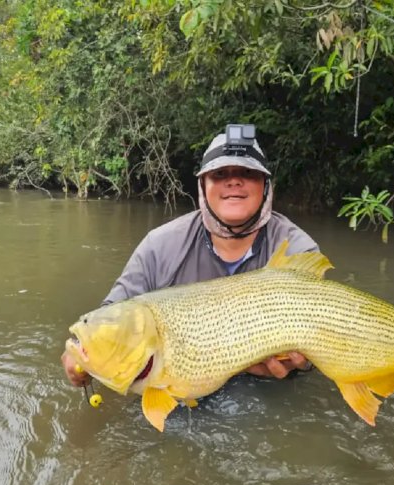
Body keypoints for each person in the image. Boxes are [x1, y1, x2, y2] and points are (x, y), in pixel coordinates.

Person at [63, 125, 319, 387]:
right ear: (203, 186)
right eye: (220, 174)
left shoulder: (297, 250)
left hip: (270, 389)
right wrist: (79, 352)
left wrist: (304, 365)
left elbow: (323, 337)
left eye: (247, 173)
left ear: (265, 186)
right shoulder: (159, 246)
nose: (233, 181)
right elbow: (112, 313)